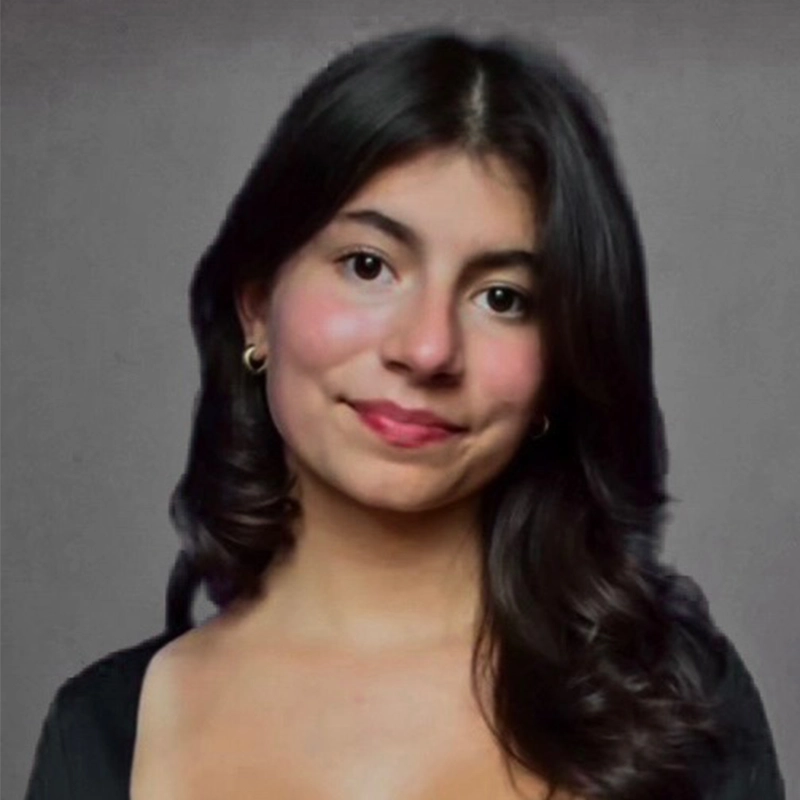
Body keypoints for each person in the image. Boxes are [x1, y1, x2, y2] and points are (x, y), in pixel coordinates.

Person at [25, 28, 785, 800]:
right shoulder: (106, 730)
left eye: (503, 298)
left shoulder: (675, 707)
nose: (427, 350)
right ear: (256, 307)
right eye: (368, 265)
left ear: (562, 365)